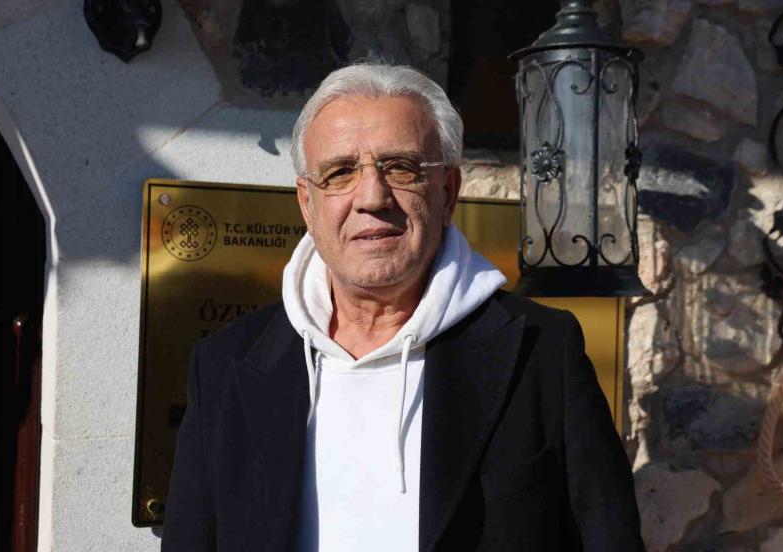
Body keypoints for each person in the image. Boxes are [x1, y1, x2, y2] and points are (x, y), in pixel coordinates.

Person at [161, 62, 645, 551]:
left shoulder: (541, 355)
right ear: (307, 203)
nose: (372, 197)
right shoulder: (224, 366)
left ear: (448, 191)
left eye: (401, 167)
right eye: (340, 172)